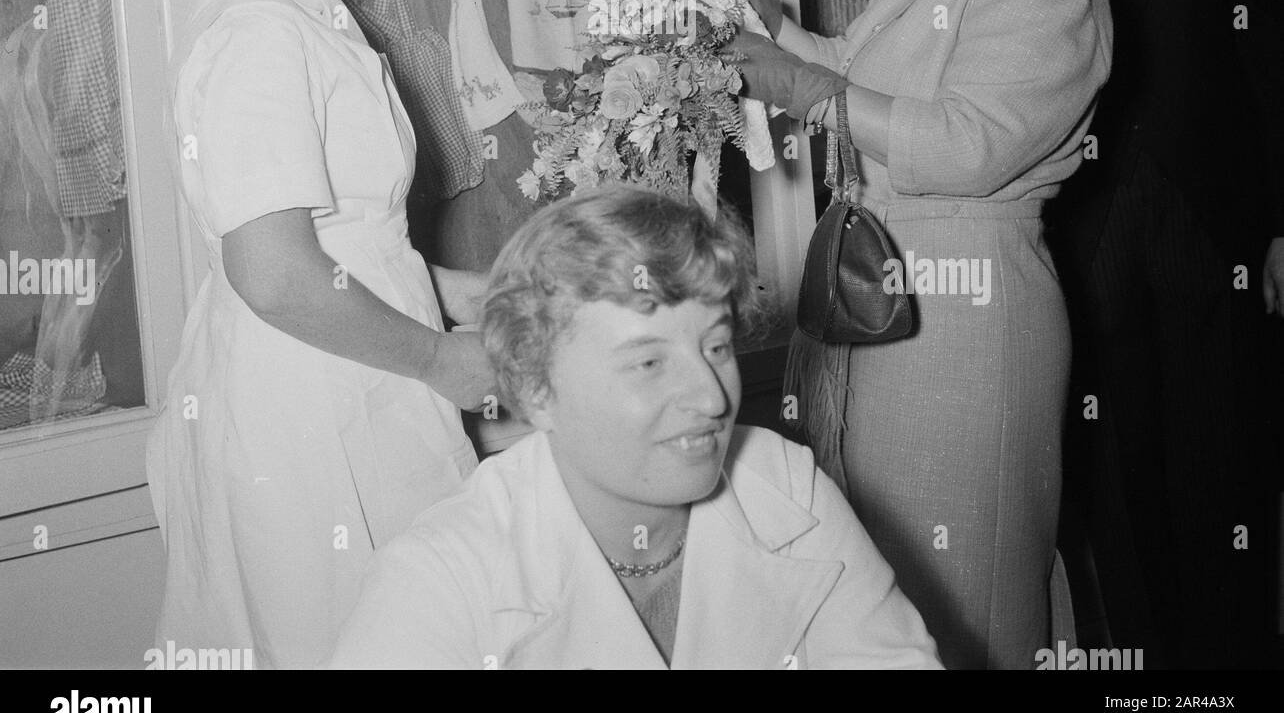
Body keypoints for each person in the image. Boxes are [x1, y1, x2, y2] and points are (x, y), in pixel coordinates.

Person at [666, 0, 1113, 669]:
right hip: (890, 297)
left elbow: (963, 143)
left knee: (967, 593)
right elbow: (853, 70)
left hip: (968, 316)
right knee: (892, 588)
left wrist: (810, 89)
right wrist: (762, 21)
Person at [146, 0, 493, 669]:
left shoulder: (297, 6)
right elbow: (275, 272)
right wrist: (439, 359)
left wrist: (458, 291)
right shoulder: (257, 27)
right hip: (307, 409)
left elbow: (346, 239)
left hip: (341, 377)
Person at [331, 185, 942, 670]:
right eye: (649, 363)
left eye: (718, 347)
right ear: (537, 390)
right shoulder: (438, 578)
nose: (710, 396)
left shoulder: (784, 485)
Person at [1020, 0, 1284, 668]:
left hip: (1207, 237)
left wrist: (1279, 227)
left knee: (1222, 473)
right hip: (1079, 241)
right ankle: (1150, 692)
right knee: (1114, 482)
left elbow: (1272, 79)